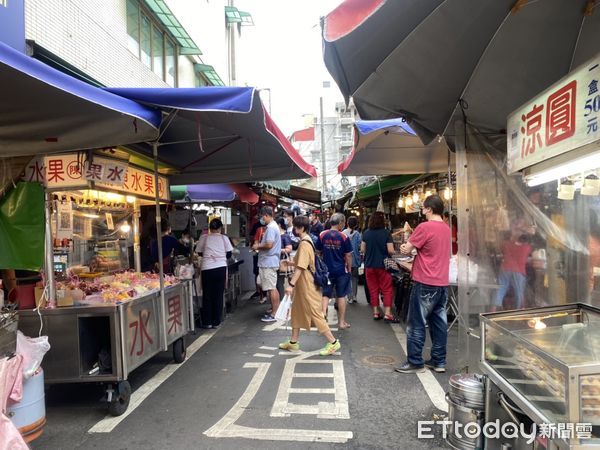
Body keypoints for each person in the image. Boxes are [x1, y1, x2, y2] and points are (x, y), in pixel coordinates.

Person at [395, 195, 451, 374]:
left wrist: (405, 246)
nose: (422, 211)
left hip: (425, 281)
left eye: (424, 208)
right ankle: (439, 361)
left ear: (429, 209)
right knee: (439, 323)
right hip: (442, 282)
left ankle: (415, 361)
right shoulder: (446, 228)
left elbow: (406, 248)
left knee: (417, 323)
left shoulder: (424, 227)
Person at [279, 215, 341, 356]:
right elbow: (303, 262)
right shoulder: (306, 241)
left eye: (295, 227)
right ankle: (293, 342)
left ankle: (333, 342)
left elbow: (301, 267)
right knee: (296, 311)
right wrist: (290, 263)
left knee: (316, 313)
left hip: (307, 284)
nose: (294, 229)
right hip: (304, 284)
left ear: (301, 228)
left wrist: (291, 284)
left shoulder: (305, 243)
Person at [195, 218, 233, 329]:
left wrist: (209, 255)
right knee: (218, 295)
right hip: (220, 268)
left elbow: (199, 252)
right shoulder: (224, 238)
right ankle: (216, 322)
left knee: (207, 295)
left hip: (207, 269)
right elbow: (229, 254)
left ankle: (207, 322)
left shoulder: (204, 237)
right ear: (220, 228)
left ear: (210, 228)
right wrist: (220, 257)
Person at [316, 213, 352, 329]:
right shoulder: (343, 237)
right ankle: (341, 323)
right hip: (341, 270)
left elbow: (317, 251)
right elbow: (348, 255)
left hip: (326, 270)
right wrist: (349, 269)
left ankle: (322, 321)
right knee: (341, 296)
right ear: (341, 223)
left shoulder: (322, 235)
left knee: (326, 295)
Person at [492, 218, 534, 312]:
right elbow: (528, 259)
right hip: (519, 271)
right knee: (519, 292)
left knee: (500, 290)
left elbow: (500, 249)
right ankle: (518, 311)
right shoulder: (527, 248)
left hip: (505, 268)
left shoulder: (507, 244)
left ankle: (493, 309)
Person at [361, 212, 396, 321]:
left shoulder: (366, 233)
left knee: (373, 289)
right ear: (382, 221)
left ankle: (376, 312)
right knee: (387, 289)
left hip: (369, 265)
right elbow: (390, 250)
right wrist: (395, 252)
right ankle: (387, 313)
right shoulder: (386, 233)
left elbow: (362, 250)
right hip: (383, 265)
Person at [253, 206, 282, 322]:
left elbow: (269, 245)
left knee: (271, 288)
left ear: (266, 215)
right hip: (268, 262)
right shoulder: (273, 227)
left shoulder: (270, 228)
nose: (261, 219)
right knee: (267, 285)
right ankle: (275, 308)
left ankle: (275, 313)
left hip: (268, 262)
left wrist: (257, 246)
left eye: (261, 217)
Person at [343, 216, 362, 304]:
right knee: (355, 279)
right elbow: (359, 247)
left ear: (347, 223)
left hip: (345, 260)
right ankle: (354, 296)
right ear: (356, 225)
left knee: (347, 279)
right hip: (355, 260)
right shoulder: (358, 234)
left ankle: (349, 297)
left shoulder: (343, 233)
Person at [276, 217, 294, 302]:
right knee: (277, 283)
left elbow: (289, 249)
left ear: (279, 225)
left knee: (279, 283)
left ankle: (282, 303)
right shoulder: (277, 235)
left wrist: (277, 250)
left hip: (282, 262)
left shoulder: (285, 236)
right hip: (276, 262)